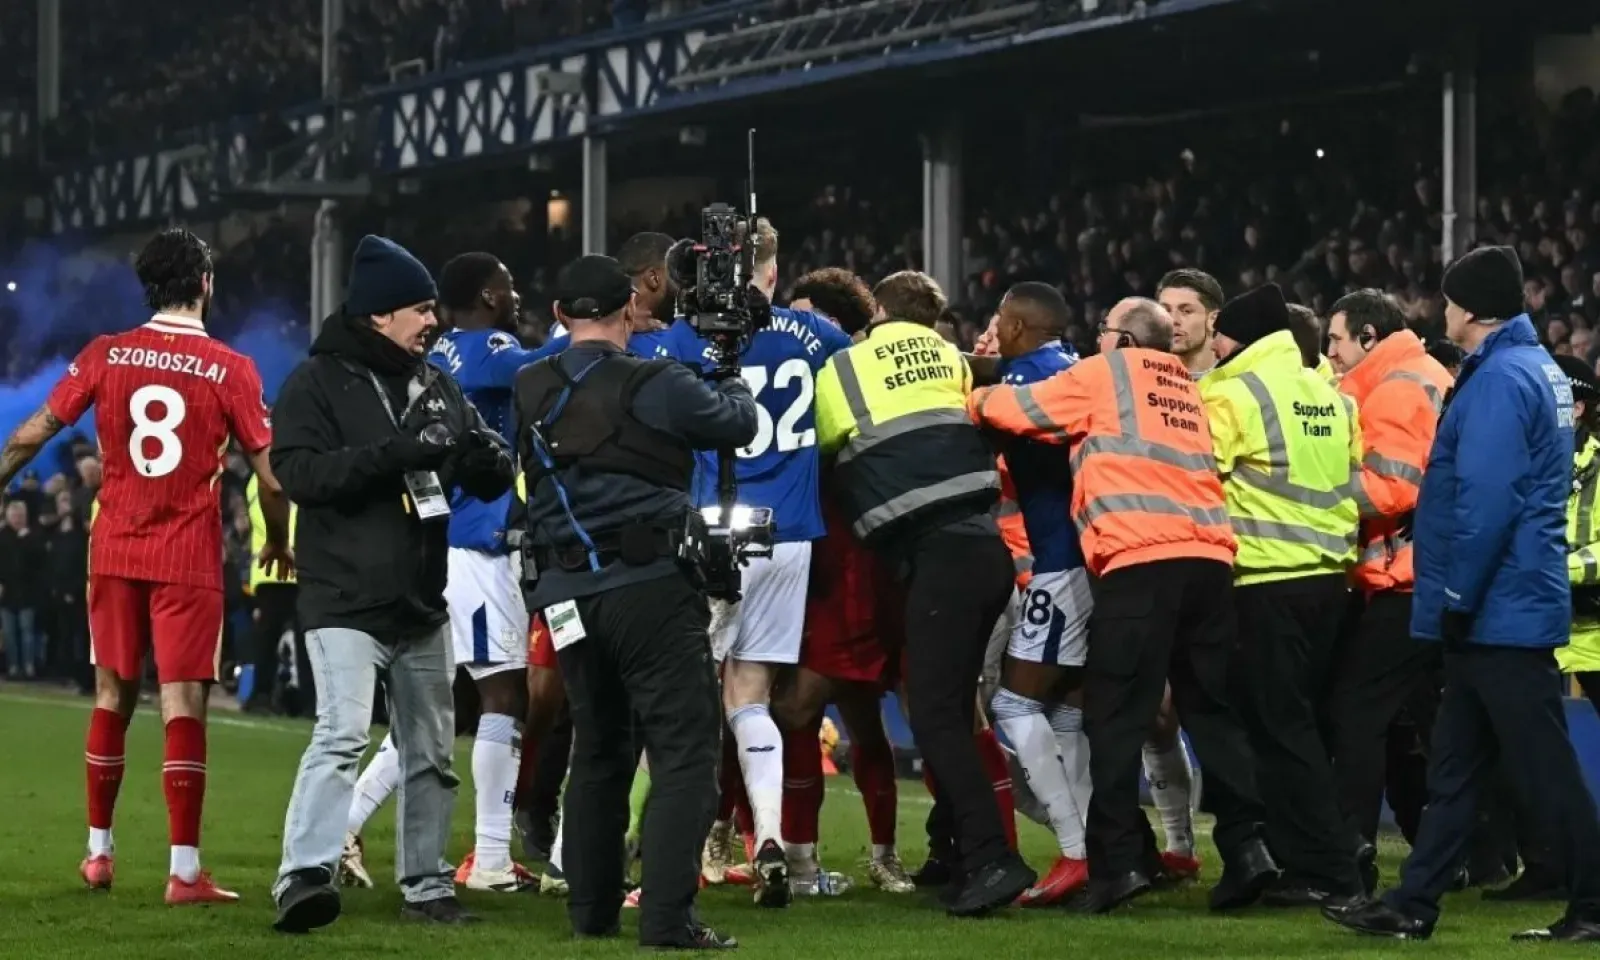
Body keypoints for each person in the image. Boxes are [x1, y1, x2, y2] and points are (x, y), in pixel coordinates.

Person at [0, 227, 292, 903]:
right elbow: (273, 480)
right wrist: (277, 541)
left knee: (112, 695)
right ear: (205, 285)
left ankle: (98, 854)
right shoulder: (232, 368)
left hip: (114, 548)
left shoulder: (106, 353)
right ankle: (184, 872)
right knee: (183, 702)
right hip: (186, 554)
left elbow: (32, 433)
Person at [1326, 245, 1600, 942]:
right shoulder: (1527, 368)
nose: (1442, 312)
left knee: (1544, 767)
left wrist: (1454, 593)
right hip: (1505, 603)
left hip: (1497, 608)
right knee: (1455, 765)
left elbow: (1485, 501)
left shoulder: (1502, 378)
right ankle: (1414, 902)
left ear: (1471, 309)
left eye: (1449, 301)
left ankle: (1595, 902)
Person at [969, 297, 1276, 915]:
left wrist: (972, 396)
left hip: (1141, 558)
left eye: (1104, 330)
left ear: (1125, 340)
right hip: (1209, 558)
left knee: (1113, 717)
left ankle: (1116, 867)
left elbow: (1021, 409)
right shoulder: (1185, 386)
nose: (1097, 339)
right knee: (1210, 715)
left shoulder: (1107, 372)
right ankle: (1248, 851)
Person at [270, 235, 515, 933]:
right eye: (420, 309)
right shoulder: (315, 382)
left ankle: (427, 886)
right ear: (380, 314)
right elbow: (298, 474)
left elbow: (482, 461)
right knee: (342, 735)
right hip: (344, 595)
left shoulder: (435, 382)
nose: (433, 321)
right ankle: (304, 877)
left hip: (421, 598)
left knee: (432, 752)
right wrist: (394, 454)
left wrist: (487, 463)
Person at [514, 253, 757, 949]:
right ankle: (668, 919)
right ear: (629, 307)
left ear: (559, 314)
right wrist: (728, 374)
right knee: (684, 751)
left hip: (565, 593)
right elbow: (736, 425)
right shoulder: (657, 380)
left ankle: (590, 915)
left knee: (597, 750)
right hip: (649, 585)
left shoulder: (531, 383)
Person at [814, 270, 1035, 917]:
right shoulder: (950, 359)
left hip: (938, 556)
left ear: (878, 313)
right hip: (985, 549)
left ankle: (992, 858)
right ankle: (961, 852)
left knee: (936, 716)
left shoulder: (846, 367)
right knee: (956, 712)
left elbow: (822, 446)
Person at [661, 219, 854, 906]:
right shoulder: (818, 336)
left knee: (682, 698)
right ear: (772, 271)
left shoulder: (685, 336)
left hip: (711, 531)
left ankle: (661, 853)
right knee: (751, 697)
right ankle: (768, 836)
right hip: (789, 535)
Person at [1202, 283, 1363, 905]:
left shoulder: (1230, 394)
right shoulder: (1331, 396)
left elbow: (1201, 476)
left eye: (1219, 336)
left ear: (1239, 338)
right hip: (1330, 580)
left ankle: (1332, 868)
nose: (1214, 347)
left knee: (1281, 734)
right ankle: (1320, 858)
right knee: (1300, 727)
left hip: (1265, 580)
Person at [773, 267, 912, 896]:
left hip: (857, 564)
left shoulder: (855, 377)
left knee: (804, 710)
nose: (796, 329)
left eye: (809, 317)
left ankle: (851, 856)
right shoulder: (798, 373)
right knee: (801, 711)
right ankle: (797, 853)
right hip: (809, 562)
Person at [1321, 289, 1451, 893]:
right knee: (1436, 721)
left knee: (1356, 713)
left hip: (1405, 577)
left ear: (1368, 336)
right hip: (1428, 573)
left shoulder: (1396, 387)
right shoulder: (1420, 374)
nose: (1330, 352)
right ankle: (1484, 850)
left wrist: (1318, 487)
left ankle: (1351, 855)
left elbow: (1394, 488)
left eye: (1336, 340)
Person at [978, 283, 1091, 907]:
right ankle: (1099, 843)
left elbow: (995, 413)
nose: (995, 332)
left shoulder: (1027, 379)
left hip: (1060, 562)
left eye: (999, 322)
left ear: (1018, 326)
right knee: (1068, 706)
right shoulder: (1080, 367)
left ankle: (1076, 850)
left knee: (1015, 704)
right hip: (1102, 554)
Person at [242, 471, 302, 715]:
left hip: (289, 569)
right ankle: (261, 695)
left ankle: (296, 699)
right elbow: (264, 515)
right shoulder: (264, 477)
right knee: (270, 641)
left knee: (301, 641)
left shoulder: (270, 475)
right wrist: (288, 543)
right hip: (274, 568)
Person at [0, 499, 45, 678]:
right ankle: (13, 667)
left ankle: (28, 666)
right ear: (8, 517)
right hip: (7, 593)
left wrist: (25, 540)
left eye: (20, 515)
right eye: (14, 515)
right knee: (9, 633)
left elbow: (38, 562)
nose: (17, 519)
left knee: (27, 632)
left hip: (27, 592)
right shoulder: (2, 536)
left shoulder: (33, 536)